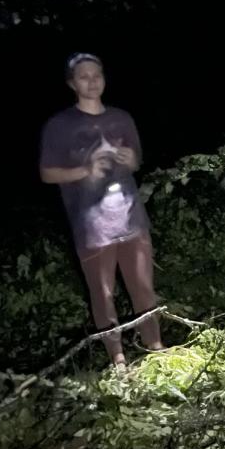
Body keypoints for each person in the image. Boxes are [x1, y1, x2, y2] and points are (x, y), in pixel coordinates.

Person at [40, 52, 163, 367]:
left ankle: (156, 349)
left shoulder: (121, 118)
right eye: (84, 76)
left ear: (104, 78)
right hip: (91, 226)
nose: (92, 81)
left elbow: (136, 161)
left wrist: (128, 159)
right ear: (72, 83)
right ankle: (118, 360)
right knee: (103, 293)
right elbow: (47, 173)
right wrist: (85, 171)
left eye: (97, 75)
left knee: (144, 289)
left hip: (132, 218)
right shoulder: (60, 125)